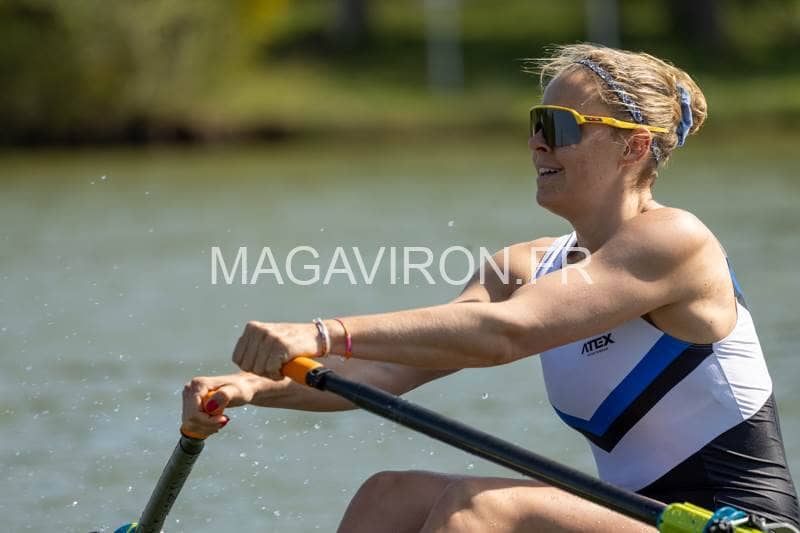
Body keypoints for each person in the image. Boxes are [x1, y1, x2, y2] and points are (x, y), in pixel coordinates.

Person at [182, 44, 799, 532]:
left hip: (736, 524)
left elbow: (505, 334)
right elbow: (382, 372)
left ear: (633, 147)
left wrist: (322, 332)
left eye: (559, 126)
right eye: (535, 123)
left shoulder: (676, 241)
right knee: (387, 496)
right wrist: (250, 387)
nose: (536, 143)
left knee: (481, 509)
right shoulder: (520, 267)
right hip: (634, 516)